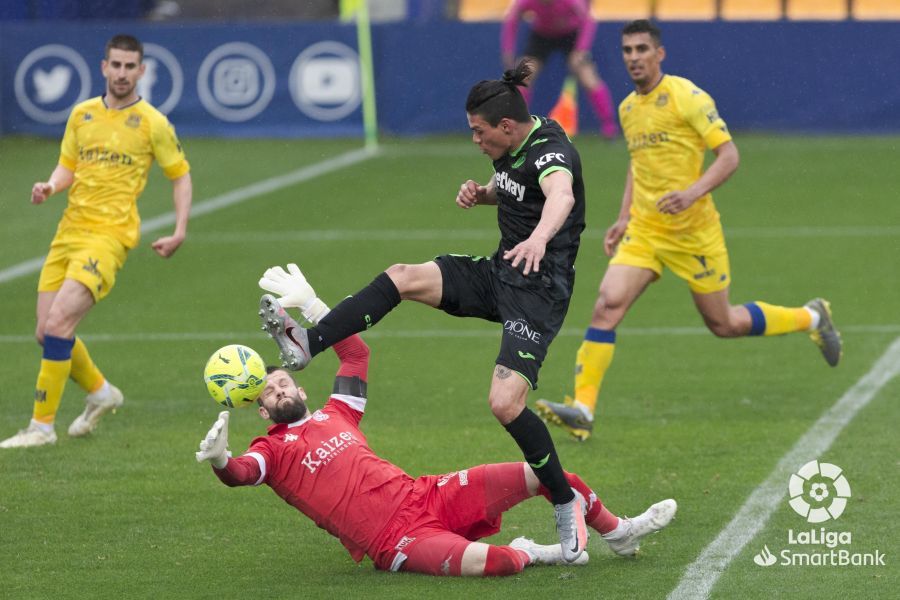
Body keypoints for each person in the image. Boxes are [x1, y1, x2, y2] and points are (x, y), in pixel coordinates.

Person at [255, 59, 590, 561]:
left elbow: (558, 193)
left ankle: (565, 502)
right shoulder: (515, 143)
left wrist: (541, 236)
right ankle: (308, 343)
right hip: (501, 273)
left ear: (504, 126)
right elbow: (514, 184)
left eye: (479, 133)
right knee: (402, 276)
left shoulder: (552, 151)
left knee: (504, 404)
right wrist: (484, 195)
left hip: (539, 293)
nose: (475, 141)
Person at [196, 294, 677, 576]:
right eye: (269, 393)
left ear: (300, 386)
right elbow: (241, 473)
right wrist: (220, 460)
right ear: (260, 411)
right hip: (395, 540)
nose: (279, 391)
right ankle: (540, 551)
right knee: (501, 566)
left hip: (426, 494)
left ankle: (618, 531)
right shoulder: (271, 451)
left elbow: (355, 356)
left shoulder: (337, 412)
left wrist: (317, 308)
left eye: (282, 383)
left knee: (553, 477)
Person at [535, 20, 842, 442]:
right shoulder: (628, 108)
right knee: (607, 303)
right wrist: (624, 216)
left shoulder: (688, 98)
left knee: (724, 323)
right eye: (627, 50)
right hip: (645, 231)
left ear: (659, 54)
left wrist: (692, 192)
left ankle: (811, 317)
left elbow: (729, 156)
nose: (634, 57)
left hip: (694, 233)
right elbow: (637, 165)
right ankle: (583, 408)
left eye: (642, 49)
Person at [1, 34, 192, 449]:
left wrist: (179, 229)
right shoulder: (82, 114)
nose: (122, 73)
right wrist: (50, 187)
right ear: (103, 67)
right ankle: (102, 392)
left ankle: (41, 427)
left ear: (141, 71)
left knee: (58, 325)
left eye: (130, 67)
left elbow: (179, 174)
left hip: (109, 237)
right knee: (45, 332)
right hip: (68, 232)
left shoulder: (153, 123)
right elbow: (67, 165)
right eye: (116, 65)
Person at [501, 0, 618, 139]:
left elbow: (588, 20)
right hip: (541, 36)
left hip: (571, 35)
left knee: (588, 77)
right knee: (521, 78)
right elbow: (512, 19)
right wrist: (507, 50)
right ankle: (516, 125)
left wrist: (580, 50)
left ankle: (609, 127)